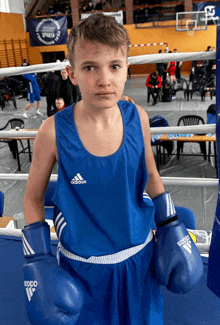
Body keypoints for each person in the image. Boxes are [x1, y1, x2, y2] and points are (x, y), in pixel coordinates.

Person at [22, 13, 203, 325]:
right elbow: (32, 198)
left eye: (114, 66)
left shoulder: (139, 118)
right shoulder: (52, 132)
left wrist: (171, 224)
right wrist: (37, 260)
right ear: (72, 74)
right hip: (82, 271)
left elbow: (151, 176)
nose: (104, 79)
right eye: (90, 67)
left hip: (140, 261)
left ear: (126, 70)